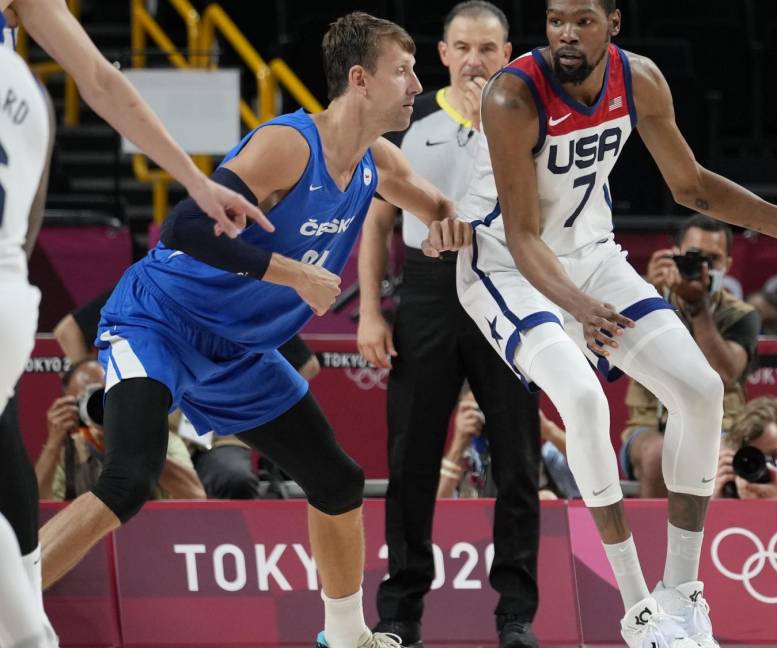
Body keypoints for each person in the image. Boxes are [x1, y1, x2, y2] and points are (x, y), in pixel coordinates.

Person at [36, 13, 472, 648]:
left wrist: (449, 224)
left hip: (238, 352)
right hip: (160, 321)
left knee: (338, 480)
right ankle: (7, 604)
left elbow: (437, 206)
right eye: (402, 71)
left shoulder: (380, 163)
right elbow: (183, 228)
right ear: (359, 80)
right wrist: (294, 273)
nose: (415, 84)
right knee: (130, 479)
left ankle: (347, 638)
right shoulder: (287, 145)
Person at [451, 1, 777, 646]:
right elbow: (523, 234)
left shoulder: (638, 79)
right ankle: (639, 609)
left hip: (592, 257)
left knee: (702, 393)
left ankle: (682, 594)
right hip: (506, 267)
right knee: (586, 403)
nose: (564, 32)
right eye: (555, 19)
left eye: (582, 20)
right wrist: (580, 310)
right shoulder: (513, 96)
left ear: (613, 23)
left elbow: (693, 187)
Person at [1, 0, 272, 643]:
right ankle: (28, 628)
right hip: (9, 291)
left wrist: (199, 187)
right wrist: (197, 185)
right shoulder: (25, 87)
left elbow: (100, 82)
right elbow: (101, 81)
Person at [353, 5, 543, 648]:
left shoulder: (527, 124)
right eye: (462, 46)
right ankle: (400, 615)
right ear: (442, 52)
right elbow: (378, 223)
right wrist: (372, 312)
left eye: (487, 48)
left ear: (509, 50)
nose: (474, 59)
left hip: (508, 287)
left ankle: (516, 614)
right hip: (430, 294)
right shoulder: (414, 125)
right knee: (410, 459)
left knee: (518, 457)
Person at [53, 292, 321, 499]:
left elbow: (307, 366)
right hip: (153, 422)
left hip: (217, 431)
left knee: (234, 478)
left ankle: (229, 546)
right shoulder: (141, 288)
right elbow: (68, 331)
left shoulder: (241, 294)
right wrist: (104, 390)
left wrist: (248, 405)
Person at [620, 215, 758, 497]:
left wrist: (698, 307)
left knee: (723, 460)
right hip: (649, 427)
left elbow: (724, 373)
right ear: (675, 255)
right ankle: (655, 540)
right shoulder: (644, 298)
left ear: (728, 265)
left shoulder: (741, 314)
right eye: (694, 257)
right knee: (660, 453)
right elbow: (613, 345)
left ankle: (717, 540)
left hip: (721, 428)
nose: (702, 267)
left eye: (713, 259)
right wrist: (647, 294)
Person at [34, 360, 206, 501]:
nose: (100, 408)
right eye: (86, 401)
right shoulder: (67, 454)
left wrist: (132, 445)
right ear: (71, 405)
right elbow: (38, 514)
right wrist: (52, 446)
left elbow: (196, 497)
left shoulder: (160, 441)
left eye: (104, 397)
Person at [436, 388, 580, 501]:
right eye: (481, 409)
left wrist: (549, 430)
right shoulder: (464, 463)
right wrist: (458, 445)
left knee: (546, 498)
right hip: (475, 536)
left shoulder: (544, 456)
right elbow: (435, 518)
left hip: (538, 534)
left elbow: (595, 471)